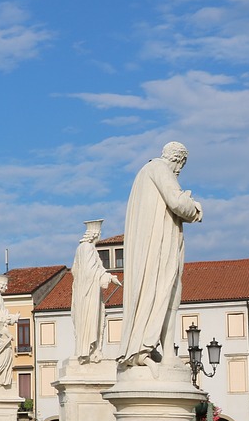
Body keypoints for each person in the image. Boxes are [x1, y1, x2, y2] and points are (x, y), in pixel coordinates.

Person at [120, 142, 203, 371]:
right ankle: (149, 349)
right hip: (158, 245)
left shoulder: (145, 173)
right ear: (178, 160)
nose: (178, 172)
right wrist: (195, 207)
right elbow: (177, 202)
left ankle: (153, 347)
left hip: (153, 244)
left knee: (165, 295)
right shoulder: (160, 169)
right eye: (181, 167)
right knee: (165, 293)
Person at [71, 220, 121, 363]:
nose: (100, 236)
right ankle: (89, 351)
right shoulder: (87, 248)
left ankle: (88, 350)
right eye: (99, 234)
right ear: (94, 235)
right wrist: (108, 277)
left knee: (88, 322)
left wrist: (109, 276)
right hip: (89, 293)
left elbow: (75, 270)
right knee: (90, 321)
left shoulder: (81, 249)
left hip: (84, 292)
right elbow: (90, 271)